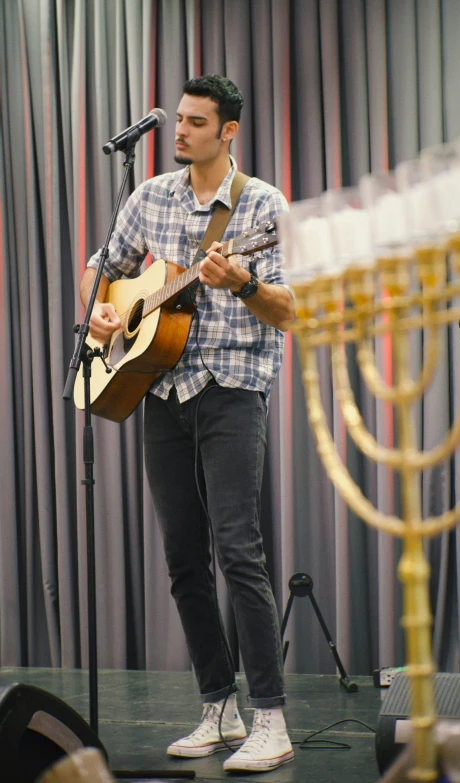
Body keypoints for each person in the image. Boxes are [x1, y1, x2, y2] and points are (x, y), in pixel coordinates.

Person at [80, 74, 295, 773]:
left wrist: (245, 283)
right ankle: (218, 704)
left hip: (233, 389)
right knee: (182, 557)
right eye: (178, 120)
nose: (180, 133)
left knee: (239, 549)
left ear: (228, 132)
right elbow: (97, 272)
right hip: (160, 388)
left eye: (196, 124)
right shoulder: (149, 196)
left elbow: (291, 309)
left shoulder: (262, 206)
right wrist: (107, 309)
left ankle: (270, 717)